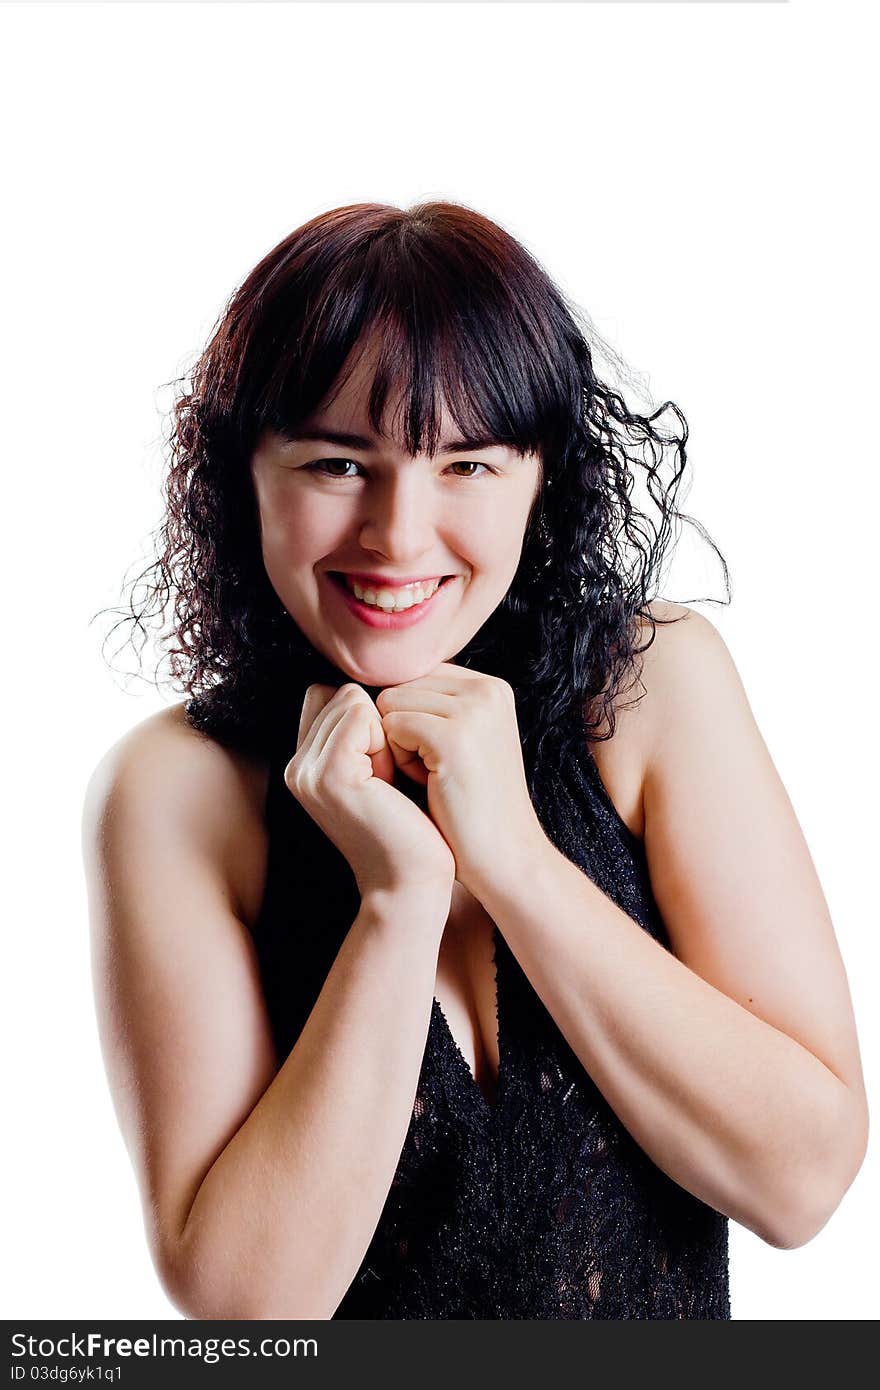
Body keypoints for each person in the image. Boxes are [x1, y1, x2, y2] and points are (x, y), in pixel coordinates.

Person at [82, 200, 868, 1320]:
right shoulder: (175, 789)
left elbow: (802, 1184)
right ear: (241, 474)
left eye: (466, 465)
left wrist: (514, 858)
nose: (399, 536)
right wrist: (396, 906)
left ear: (540, 477)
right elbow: (248, 1308)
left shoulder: (650, 689)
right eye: (338, 465)